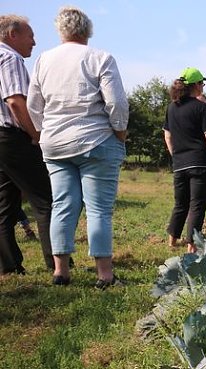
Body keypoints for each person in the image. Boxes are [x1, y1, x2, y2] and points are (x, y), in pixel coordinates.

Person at [28, 6, 128, 288]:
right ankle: (105, 275)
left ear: (61, 31)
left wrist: (41, 131)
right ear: (88, 31)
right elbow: (116, 102)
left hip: (55, 143)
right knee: (98, 209)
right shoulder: (100, 58)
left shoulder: (43, 60)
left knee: (62, 204)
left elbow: (34, 104)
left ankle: (61, 271)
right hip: (95, 140)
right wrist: (119, 130)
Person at [0, 14, 54, 276]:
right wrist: (37, 135)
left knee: (5, 206)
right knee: (45, 200)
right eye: (30, 35)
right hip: (13, 137)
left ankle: (9, 266)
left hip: (1, 141)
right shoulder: (10, 58)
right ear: (13, 35)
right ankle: (57, 264)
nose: (34, 41)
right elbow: (16, 102)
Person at [163, 67, 206, 253]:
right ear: (195, 85)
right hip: (200, 163)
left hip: (180, 164)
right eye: (202, 83)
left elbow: (167, 136)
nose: (203, 86)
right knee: (197, 204)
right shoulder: (201, 107)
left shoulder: (171, 107)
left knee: (180, 203)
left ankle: (172, 241)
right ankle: (192, 245)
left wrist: (177, 156)